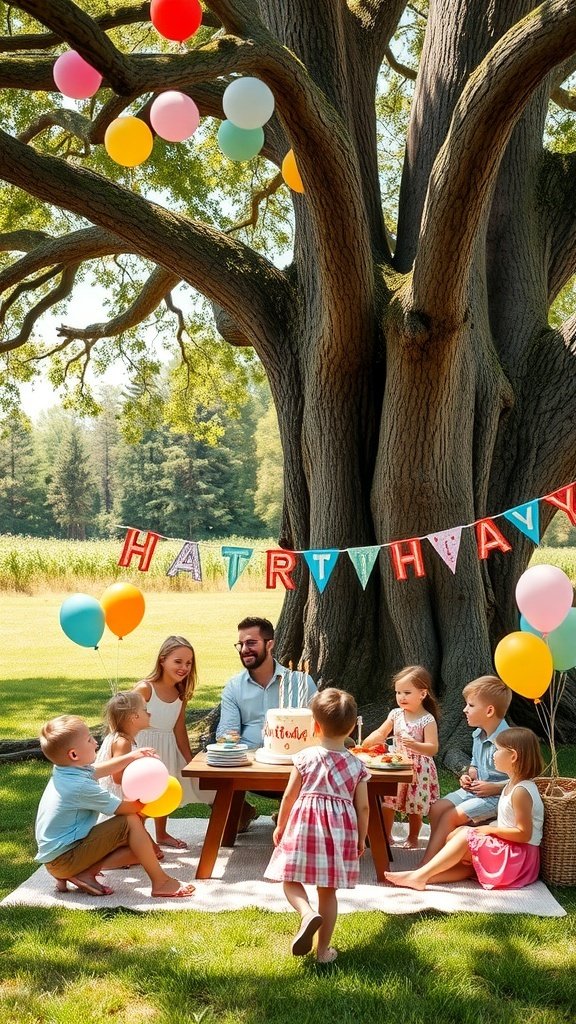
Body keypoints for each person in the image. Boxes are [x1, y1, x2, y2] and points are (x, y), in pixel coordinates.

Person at [35, 714, 195, 898]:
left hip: (58, 859)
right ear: (74, 754)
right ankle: (161, 883)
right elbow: (125, 809)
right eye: (89, 740)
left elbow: (101, 769)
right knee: (130, 821)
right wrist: (150, 795)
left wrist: (133, 756)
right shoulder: (79, 787)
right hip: (65, 859)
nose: (95, 742)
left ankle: (83, 873)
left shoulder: (67, 770)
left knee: (143, 851)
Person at [265, 688, 370, 963]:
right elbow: (364, 807)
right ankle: (323, 952)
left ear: (315, 725)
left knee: (289, 879)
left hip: (305, 825)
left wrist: (281, 824)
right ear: (351, 728)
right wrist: (361, 838)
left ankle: (306, 913)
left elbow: (290, 795)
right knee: (328, 890)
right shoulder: (357, 765)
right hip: (340, 831)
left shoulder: (304, 757)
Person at [384, 727, 544, 891]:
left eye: (497, 750)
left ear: (513, 756)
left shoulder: (521, 792)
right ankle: (420, 878)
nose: (494, 754)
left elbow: (524, 834)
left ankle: (420, 875)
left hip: (519, 858)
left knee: (466, 836)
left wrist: (488, 830)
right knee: (460, 838)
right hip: (514, 852)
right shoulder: (512, 784)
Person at [217, 616, 317, 831]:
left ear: (269, 644)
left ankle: (287, 811)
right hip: (250, 764)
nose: (244, 649)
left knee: (295, 829)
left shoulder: (300, 682)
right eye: (240, 644)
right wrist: (229, 743)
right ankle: (243, 811)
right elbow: (227, 732)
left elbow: (319, 728)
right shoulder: (234, 687)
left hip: (295, 765)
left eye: (251, 643)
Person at [419, 674, 512, 865]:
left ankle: (428, 864)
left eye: (470, 705)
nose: (465, 709)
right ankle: (443, 853)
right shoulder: (478, 734)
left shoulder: (507, 740)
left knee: (449, 817)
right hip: (474, 792)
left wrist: (495, 788)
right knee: (436, 809)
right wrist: (468, 775)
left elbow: (525, 779)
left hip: (496, 797)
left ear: (489, 711)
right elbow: (475, 764)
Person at [134, 635, 214, 850]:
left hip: (167, 746)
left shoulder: (180, 692)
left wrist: (190, 759)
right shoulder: (145, 689)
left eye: (188, 663)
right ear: (162, 660)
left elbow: (179, 728)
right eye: (178, 661)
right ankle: (139, 837)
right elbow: (125, 718)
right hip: (145, 747)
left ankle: (161, 833)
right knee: (144, 793)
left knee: (165, 788)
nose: (184, 667)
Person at [362, 665, 440, 848]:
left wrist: (415, 745)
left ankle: (413, 837)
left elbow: (433, 748)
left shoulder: (427, 719)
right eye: (398, 693)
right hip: (397, 766)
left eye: (407, 692)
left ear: (422, 694)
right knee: (389, 801)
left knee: (415, 806)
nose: (401, 697)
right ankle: (386, 835)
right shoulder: (395, 714)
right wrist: (369, 741)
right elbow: (382, 732)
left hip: (419, 769)